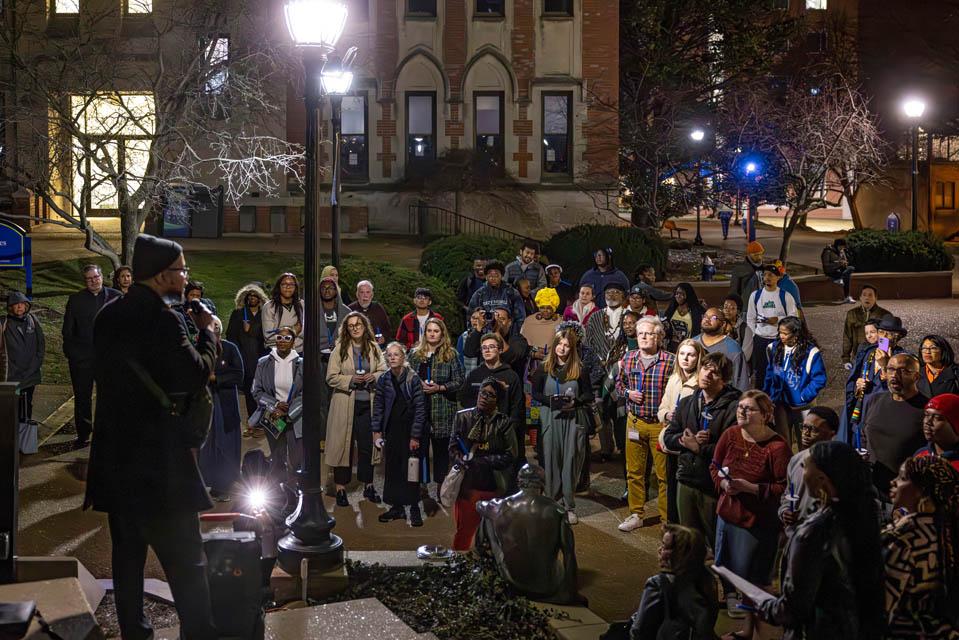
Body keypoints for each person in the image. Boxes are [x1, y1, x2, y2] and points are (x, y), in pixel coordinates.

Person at [84, 234, 218, 640]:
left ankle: (135, 633)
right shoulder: (163, 319)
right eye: (180, 269)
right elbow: (195, 374)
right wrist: (209, 333)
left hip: (115, 461)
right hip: (160, 467)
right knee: (188, 564)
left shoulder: (107, 315)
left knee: (127, 561)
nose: (184, 275)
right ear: (162, 276)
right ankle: (197, 633)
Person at [760, 441, 885, 640]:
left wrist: (763, 605)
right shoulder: (867, 517)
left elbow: (795, 607)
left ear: (821, 479)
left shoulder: (813, 534)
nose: (801, 473)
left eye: (804, 467)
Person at [709, 390, 791, 627]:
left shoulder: (777, 447)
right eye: (740, 407)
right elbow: (714, 466)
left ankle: (752, 627)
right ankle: (731, 598)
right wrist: (724, 483)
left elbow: (783, 487)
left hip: (755, 521)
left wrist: (750, 488)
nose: (742, 412)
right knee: (724, 564)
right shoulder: (731, 434)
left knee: (750, 576)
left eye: (749, 408)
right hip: (727, 514)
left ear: (765, 415)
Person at [663, 352, 741, 550]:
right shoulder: (688, 402)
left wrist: (701, 448)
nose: (707, 374)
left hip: (712, 485)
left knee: (717, 542)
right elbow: (669, 436)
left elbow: (734, 450)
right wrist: (684, 441)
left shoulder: (733, 408)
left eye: (714, 373)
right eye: (705, 368)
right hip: (687, 479)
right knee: (688, 541)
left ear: (723, 379)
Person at [883, 455, 959, 638]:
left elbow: (883, 603)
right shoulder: (946, 528)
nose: (893, 482)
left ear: (921, 490)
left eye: (902, 478)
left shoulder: (905, 536)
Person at [617, 317, 675, 531]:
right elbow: (618, 383)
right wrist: (627, 393)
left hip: (659, 426)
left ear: (659, 336)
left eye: (649, 333)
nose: (643, 337)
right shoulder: (629, 358)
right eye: (640, 333)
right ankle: (636, 514)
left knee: (664, 476)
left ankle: (666, 520)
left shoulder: (670, 360)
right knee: (634, 472)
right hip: (635, 422)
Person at [449, 378, 520, 551]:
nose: (484, 397)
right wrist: (460, 459)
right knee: (464, 531)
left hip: (493, 485)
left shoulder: (503, 423)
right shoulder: (462, 417)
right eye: (482, 392)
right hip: (467, 485)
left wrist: (481, 462)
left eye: (490, 395)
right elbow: (452, 447)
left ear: (498, 400)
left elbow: (511, 455)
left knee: (493, 535)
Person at [326, 311, 388, 507]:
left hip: (367, 403)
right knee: (343, 445)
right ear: (346, 329)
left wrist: (374, 377)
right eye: (351, 325)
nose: (355, 328)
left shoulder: (374, 348)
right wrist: (350, 379)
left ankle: (368, 485)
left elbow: (384, 371)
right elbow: (331, 377)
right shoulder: (340, 349)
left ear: (364, 326)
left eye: (358, 324)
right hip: (345, 403)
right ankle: (341, 488)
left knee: (367, 446)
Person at [530, 331, 593, 523]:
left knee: (571, 461)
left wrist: (575, 402)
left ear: (572, 348)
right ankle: (551, 503)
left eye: (566, 345)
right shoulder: (543, 368)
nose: (562, 348)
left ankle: (568, 506)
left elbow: (588, 395)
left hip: (573, 419)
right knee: (550, 460)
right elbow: (536, 394)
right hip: (551, 418)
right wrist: (551, 401)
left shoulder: (580, 369)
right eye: (559, 344)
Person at [624, 525, 718, 640]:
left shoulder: (658, 584)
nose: (660, 550)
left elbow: (638, 632)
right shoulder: (708, 580)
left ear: (680, 553)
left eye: (665, 546)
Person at [62, 264, 121, 447]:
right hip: (82, 360)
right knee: (82, 397)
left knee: (110, 398)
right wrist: (74, 355)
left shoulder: (116, 297)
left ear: (101, 277)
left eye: (96, 277)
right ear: (84, 281)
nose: (93, 281)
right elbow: (68, 331)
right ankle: (84, 434)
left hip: (109, 360)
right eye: (89, 279)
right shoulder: (76, 300)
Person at [408, 318, 465, 502]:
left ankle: (441, 486)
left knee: (441, 452)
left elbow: (459, 380)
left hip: (442, 410)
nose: (432, 334)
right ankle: (419, 487)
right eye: (429, 331)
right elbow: (407, 378)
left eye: (436, 331)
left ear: (442, 334)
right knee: (419, 451)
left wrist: (440, 388)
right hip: (420, 411)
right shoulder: (415, 354)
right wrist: (419, 385)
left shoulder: (451, 355)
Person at [372, 342, 427, 527]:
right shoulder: (384, 379)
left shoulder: (412, 378)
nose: (393, 357)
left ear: (404, 357)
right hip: (392, 430)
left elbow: (420, 409)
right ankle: (397, 508)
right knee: (393, 468)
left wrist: (415, 436)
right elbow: (378, 406)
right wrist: (376, 431)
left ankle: (414, 507)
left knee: (411, 470)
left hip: (409, 430)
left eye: (397, 354)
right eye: (389, 355)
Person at [860, 353, 927, 499]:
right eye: (890, 369)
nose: (894, 375)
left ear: (916, 377)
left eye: (903, 371)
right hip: (871, 491)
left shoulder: (927, 410)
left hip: (905, 495)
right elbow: (864, 434)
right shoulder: (874, 400)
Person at [657, 339, 705, 524]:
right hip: (670, 442)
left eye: (691, 354)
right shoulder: (674, 378)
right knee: (670, 487)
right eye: (682, 353)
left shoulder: (700, 384)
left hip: (687, 444)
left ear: (698, 357)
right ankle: (671, 526)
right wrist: (667, 415)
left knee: (685, 492)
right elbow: (662, 407)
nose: (686, 358)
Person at [840, 314, 908, 444]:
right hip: (862, 413)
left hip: (884, 416)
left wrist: (884, 365)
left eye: (889, 334)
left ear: (897, 337)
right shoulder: (868, 353)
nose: (884, 337)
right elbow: (855, 380)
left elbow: (901, 389)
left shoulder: (903, 359)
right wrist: (857, 386)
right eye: (882, 332)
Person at [249, 326, 304, 484]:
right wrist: (275, 405)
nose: (282, 341)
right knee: (277, 456)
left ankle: (295, 492)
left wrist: (289, 412)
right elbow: (256, 391)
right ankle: (278, 495)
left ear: (293, 342)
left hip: (295, 417)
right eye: (279, 337)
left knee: (296, 459)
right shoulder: (263, 363)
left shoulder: (302, 364)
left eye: (287, 338)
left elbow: (307, 393)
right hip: (273, 415)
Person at [198, 316, 244, 501]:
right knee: (206, 446)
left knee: (226, 445)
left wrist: (216, 378)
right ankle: (208, 484)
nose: (214, 329)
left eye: (216, 326)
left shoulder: (231, 348)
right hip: (205, 404)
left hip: (226, 405)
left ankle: (225, 485)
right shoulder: (198, 348)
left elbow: (239, 374)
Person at [763, 317, 827, 446]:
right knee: (783, 442)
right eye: (780, 332)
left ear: (796, 334)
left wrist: (804, 396)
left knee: (805, 441)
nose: (781, 336)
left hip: (803, 407)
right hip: (780, 404)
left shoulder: (811, 352)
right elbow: (769, 374)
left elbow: (819, 379)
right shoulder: (774, 348)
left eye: (785, 333)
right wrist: (768, 396)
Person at [459, 333, 525, 456]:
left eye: (491, 347)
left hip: (502, 434)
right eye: (484, 348)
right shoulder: (474, 374)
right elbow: (464, 400)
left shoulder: (511, 376)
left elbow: (517, 407)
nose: (487, 350)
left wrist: (509, 430)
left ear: (500, 349)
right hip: (478, 435)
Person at [778, 407, 839, 537]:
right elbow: (788, 494)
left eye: (814, 430)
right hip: (796, 534)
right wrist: (785, 512)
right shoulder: (795, 460)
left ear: (831, 434)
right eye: (804, 427)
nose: (806, 433)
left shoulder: (839, 465)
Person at [587, 282, 628, 460]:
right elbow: (589, 344)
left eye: (616, 292)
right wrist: (599, 362)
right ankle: (605, 448)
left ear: (623, 296)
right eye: (608, 292)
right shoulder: (595, 317)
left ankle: (622, 446)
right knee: (601, 410)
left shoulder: (628, 317)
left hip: (622, 372)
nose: (611, 295)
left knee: (620, 411)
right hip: (599, 371)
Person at [745, 264, 798, 391]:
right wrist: (754, 335)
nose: (767, 277)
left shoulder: (785, 296)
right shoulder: (755, 296)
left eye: (771, 275)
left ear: (778, 278)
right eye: (765, 275)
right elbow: (750, 318)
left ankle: (779, 399)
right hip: (760, 339)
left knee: (779, 371)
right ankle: (760, 398)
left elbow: (794, 319)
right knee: (760, 372)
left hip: (778, 340)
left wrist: (778, 320)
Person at [225, 283, 269, 437]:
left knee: (264, 392)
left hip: (261, 357)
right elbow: (230, 335)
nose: (252, 299)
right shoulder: (238, 314)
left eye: (255, 296)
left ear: (260, 298)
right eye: (249, 296)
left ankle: (265, 424)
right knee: (250, 392)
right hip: (245, 358)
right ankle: (251, 423)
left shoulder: (265, 314)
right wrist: (237, 356)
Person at [1, 291, 45, 427]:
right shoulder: (4, 323)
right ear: (10, 307)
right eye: (16, 304)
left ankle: (25, 435)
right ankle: (11, 438)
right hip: (11, 374)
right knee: (11, 406)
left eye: (22, 304)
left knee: (27, 404)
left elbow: (41, 345)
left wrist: (35, 366)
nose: (19, 307)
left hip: (30, 373)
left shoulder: (32, 320)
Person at [464, 306, 529, 380]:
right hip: (486, 384)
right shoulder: (486, 338)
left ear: (509, 322)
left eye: (502, 319)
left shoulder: (519, 339)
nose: (498, 322)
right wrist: (478, 329)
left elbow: (510, 358)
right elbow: (469, 353)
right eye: (495, 319)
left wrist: (496, 331)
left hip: (509, 385)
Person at [693, 307, 750, 392]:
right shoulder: (693, 343)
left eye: (713, 318)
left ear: (723, 324)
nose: (707, 320)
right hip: (693, 399)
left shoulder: (733, 349)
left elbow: (741, 383)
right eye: (705, 316)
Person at [841, 284, 888, 368]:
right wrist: (846, 358)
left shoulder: (884, 314)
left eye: (870, 295)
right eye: (864, 295)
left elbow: (886, 337)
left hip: (877, 358)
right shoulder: (852, 314)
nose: (867, 298)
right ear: (860, 297)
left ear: (876, 298)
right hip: (858, 357)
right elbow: (847, 336)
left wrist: (883, 355)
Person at [262, 272, 305, 350]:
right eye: (284, 284)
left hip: (298, 351)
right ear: (279, 286)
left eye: (291, 284)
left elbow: (305, 332)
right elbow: (268, 336)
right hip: (275, 352)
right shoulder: (269, 306)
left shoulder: (302, 305)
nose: (288, 287)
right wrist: (294, 331)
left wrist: (281, 331)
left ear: (295, 287)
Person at [916, 394, 959, 472]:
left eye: (937, 418)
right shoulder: (920, 455)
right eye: (926, 415)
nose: (927, 422)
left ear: (955, 425)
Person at [662, 283, 705, 353]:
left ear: (688, 295)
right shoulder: (671, 310)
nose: (678, 296)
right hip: (672, 347)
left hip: (688, 347)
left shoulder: (697, 311)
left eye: (682, 294)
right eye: (676, 293)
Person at [520, 288, 563, 358]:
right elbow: (521, 344)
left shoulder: (560, 323)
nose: (545, 311)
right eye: (542, 307)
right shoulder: (529, 320)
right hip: (528, 361)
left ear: (554, 308)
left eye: (549, 308)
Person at [349, 280, 393, 347]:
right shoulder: (350, 309)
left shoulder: (378, 308)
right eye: (362, 292)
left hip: (376, 347)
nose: (365, 295)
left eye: (368, 292)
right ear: (357, 295)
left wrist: (384, 338)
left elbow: (387, 328)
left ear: (372, 295)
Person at [729, 240, 765, 305]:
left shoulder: (765, 269)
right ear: (749, 255)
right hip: (746, 305)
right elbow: (734, 291)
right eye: (756, 255)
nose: (759, 257)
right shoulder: (739, 270)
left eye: (760, 254)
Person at [821, 238, 856, 303]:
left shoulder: (842, 251)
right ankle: (847, 297)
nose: (842, 248)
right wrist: (837, 263)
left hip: (839, 270)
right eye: (841, 246)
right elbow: (826, 264)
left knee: (851, 268)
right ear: (837, 245)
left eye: (843, 247)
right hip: (830, 271)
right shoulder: (828, 251)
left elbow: (845, 261)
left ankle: (839, 278)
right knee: (847, 277)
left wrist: (844, 263)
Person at [456, 258, 487, 323]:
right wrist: (468, 309)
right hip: (471, 317)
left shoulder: (492, 282)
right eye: (478, 265)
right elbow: (459, 300)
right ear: (474, 266)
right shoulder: (467, 281)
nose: (481, 267)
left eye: (484, 265)